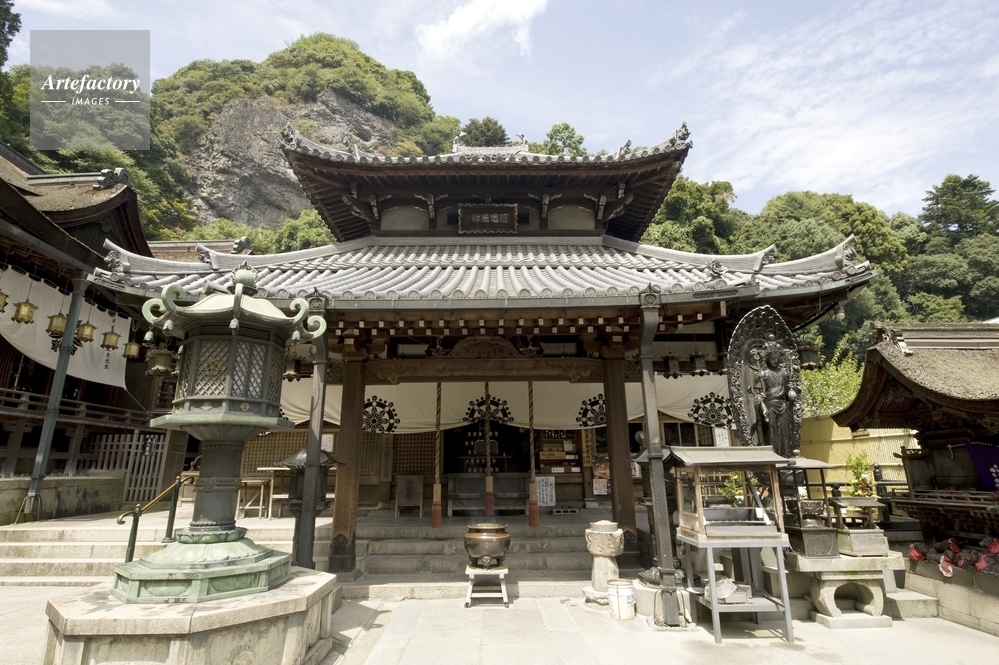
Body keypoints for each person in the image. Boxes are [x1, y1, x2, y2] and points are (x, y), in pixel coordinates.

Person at [753, 346, 797, 457]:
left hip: (783, 404)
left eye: (777, 358)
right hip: (770, 405)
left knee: (785, 431)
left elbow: (787, 390)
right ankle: (773, 453)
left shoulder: (783, 373)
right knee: (771, 430)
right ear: (767, 359)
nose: (775, 360)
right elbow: (757, 393)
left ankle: (786, 453)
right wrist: (762, 403)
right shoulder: (762, 374)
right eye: (773, 358)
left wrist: (791, 393)